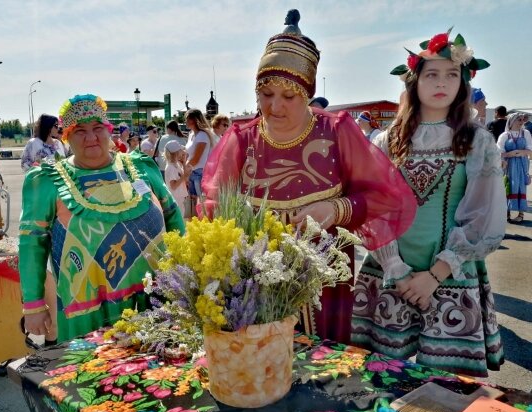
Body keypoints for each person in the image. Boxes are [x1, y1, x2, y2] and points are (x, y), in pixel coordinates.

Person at [202, 10, 416, 343]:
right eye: (265, 93)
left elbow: (383, 196)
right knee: (259, 361)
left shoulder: (336, 131)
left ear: (307, 94)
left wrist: (335, 210)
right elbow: (216, 205)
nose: (274, 107)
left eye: (289, 96)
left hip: (323, 279)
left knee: (321, 371)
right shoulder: (242, 139)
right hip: (254, 277)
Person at [351, 29, 505, 377]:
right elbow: (372, 207)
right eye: (431, 74)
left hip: (449, 271)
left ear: (463, 83)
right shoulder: (388, 140)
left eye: (452, 74)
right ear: (414, 82)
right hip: (391, 269)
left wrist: (435, 275)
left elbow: (484, 215)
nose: (442, 83)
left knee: (447, 388)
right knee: (384, 378)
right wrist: (397, 269)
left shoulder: (477, 141)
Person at [19, 94, 185, 342]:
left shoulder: (141, 167)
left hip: (156, 300)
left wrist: (187, 276)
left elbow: (173, 218)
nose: (91, 137)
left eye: (97, 128)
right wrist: (33, 306)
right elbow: (31, 245)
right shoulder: (47, 181)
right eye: (79, 131)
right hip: (87, 313)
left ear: (109, 131)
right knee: (94, 377)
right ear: (66, 136)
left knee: (161, 374)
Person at [497, 112, 532, 223]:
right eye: (519, 120)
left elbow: (530, 150)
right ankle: (507, 212)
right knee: (508, 186)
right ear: (512, 121)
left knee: (521, 186)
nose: (522, 122)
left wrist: (521, 152)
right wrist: (509, 154)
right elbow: (499, 151)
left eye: (522, 120)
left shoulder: (525, 133)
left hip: (522, 164)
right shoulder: (504, 135)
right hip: (508, 164)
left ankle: (521, 214)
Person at [185, 109, 215, 204]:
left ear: (193, 120)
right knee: (195, 202)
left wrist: (185, 170)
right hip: (192, 172)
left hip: (199, 173)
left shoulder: (202, 135)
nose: (185, 121)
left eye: (187, 119)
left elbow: (196, 159)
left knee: (201, 203)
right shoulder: (191, 134)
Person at [163, 140, 191, 216]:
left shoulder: (176, 164)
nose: (183, 151)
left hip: (179, 197)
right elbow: (173, 186)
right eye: (180, 150)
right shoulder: (170, 167)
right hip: (175, 198)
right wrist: (184, 176)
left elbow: (185, 179)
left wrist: (184, 162)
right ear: (175, 153)